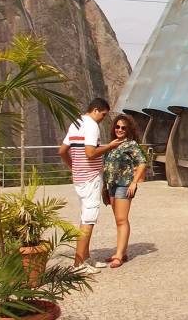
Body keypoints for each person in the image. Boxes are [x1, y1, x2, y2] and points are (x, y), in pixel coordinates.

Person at [58, 98, 122, 274]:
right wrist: (109, 146)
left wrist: (73, 166)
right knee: (89, 220)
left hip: (79, 178)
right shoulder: (92, 126)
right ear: (95, 110)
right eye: (103, 114)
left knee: (84, 216)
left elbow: (62, 151)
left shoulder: (76, 123)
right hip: (91, 178)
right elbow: (90, 153)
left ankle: (85, 258)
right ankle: (78, 264)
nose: (103, 118)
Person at [101, 114, 148, 269]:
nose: (120, 129)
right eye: (117, 126)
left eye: (123, 127)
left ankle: (119, 255)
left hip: (124, 185)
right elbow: (106, 167)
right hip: (112, 186)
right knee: (118, 220)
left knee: (122, 220)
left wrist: (134, 182)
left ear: (128, 130)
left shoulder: (131, 145)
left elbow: (142, 163)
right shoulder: (112, 144)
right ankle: (122, 251)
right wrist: (104, 188)